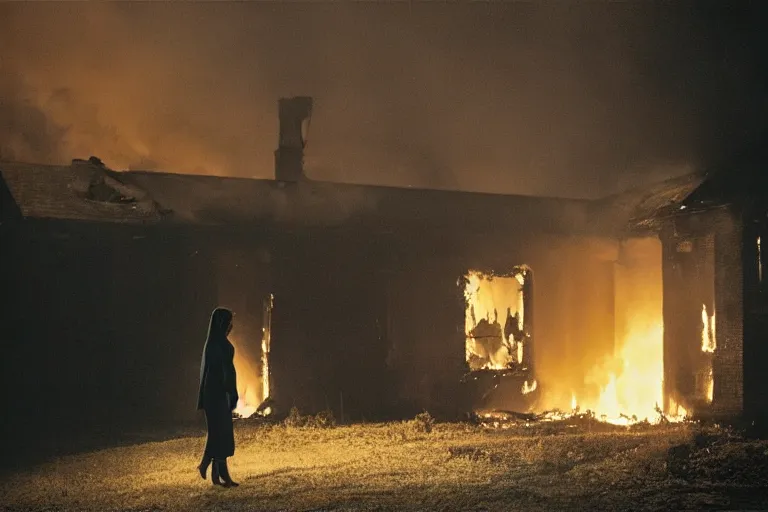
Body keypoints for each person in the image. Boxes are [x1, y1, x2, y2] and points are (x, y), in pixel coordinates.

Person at [197, 307, 240, 487]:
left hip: (219, 392)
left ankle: (218, 473)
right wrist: (230, 391)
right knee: (218, 432)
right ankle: (208, 465)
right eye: (228, 322)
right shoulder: (216, 344)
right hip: (215, 392)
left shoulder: (218, 341)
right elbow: (221, 370)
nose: (231, 325)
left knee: (222, 432)